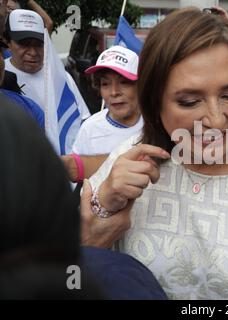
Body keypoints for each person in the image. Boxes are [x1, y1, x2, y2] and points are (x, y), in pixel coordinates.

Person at [88, 7, 228, 300]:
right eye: (189, 101)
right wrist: (103, 208)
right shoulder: (122, 168)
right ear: (154, 101)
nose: (216, 119)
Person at [0, 92, 167, 299]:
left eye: (125, 82)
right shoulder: (121, 278)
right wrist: (89, 249)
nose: (115, 91)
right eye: (188, 102)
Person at [3, 9, 90, 153]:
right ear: (8, 43)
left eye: (39, 44)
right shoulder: (2, 73)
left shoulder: (61, 77)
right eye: (24, 44)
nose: (33, 52)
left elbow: (83, 121)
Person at [71, 45, 143, 156]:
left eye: (124, 82)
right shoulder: (90, 130)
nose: (114, 92)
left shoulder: (157, 124)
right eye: (105, 84)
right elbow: (75, 170)